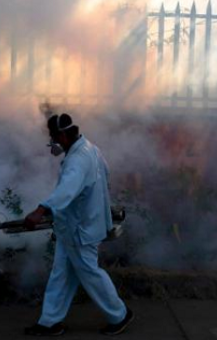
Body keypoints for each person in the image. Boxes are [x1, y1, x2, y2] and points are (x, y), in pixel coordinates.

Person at [23, 113, 134, 336]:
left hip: (80, 230)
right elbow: (105, 173)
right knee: (61, 274)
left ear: (63, 135)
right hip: (73, 227)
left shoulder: (77, 160)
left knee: (91, 274)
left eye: (53, 136)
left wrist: (41, 209)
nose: (52, 142)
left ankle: (120, 315)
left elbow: (66, 190)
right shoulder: (90, 148)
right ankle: (50, 322)